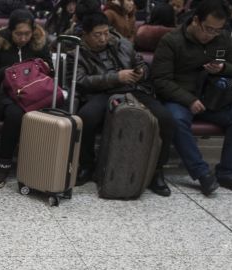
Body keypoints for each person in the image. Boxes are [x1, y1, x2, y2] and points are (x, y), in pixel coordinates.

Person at [70, 12, 174, 195]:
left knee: (165, 119)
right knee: (86, 118)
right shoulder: (76, 51)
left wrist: (142, 71)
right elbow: (81, 80)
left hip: (133, 90)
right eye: (97, 35)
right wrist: (115, 78)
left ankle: (157, 171)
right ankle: (87, 165)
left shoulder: (122, 43)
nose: (103, 38)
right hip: (101, 93)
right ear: (85, 34)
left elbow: (141, 63)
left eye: (106, 33)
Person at [151, 0, 232, 195]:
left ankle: (227, 173)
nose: (211, 35)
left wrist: (223, 68)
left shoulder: (223, 40)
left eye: (217, 30)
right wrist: (189, 100)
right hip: (180, 99)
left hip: (213, 99)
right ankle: (202, 173)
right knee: (175, 120)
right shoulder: (172, 40)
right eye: (208, 29)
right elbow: (160, 80)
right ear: (196, 20)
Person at [0, 9, 51, 188]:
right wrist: (13, 70)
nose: (23, 38)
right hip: (5, 94)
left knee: (39, 112)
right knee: (16, 114)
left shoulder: (38, 43)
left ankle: (39, 166)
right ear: (10, 30)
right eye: (18, 34)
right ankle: (2, 166)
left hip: (35, 93)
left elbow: (50, 71)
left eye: (27, 34)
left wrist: (39, 67)